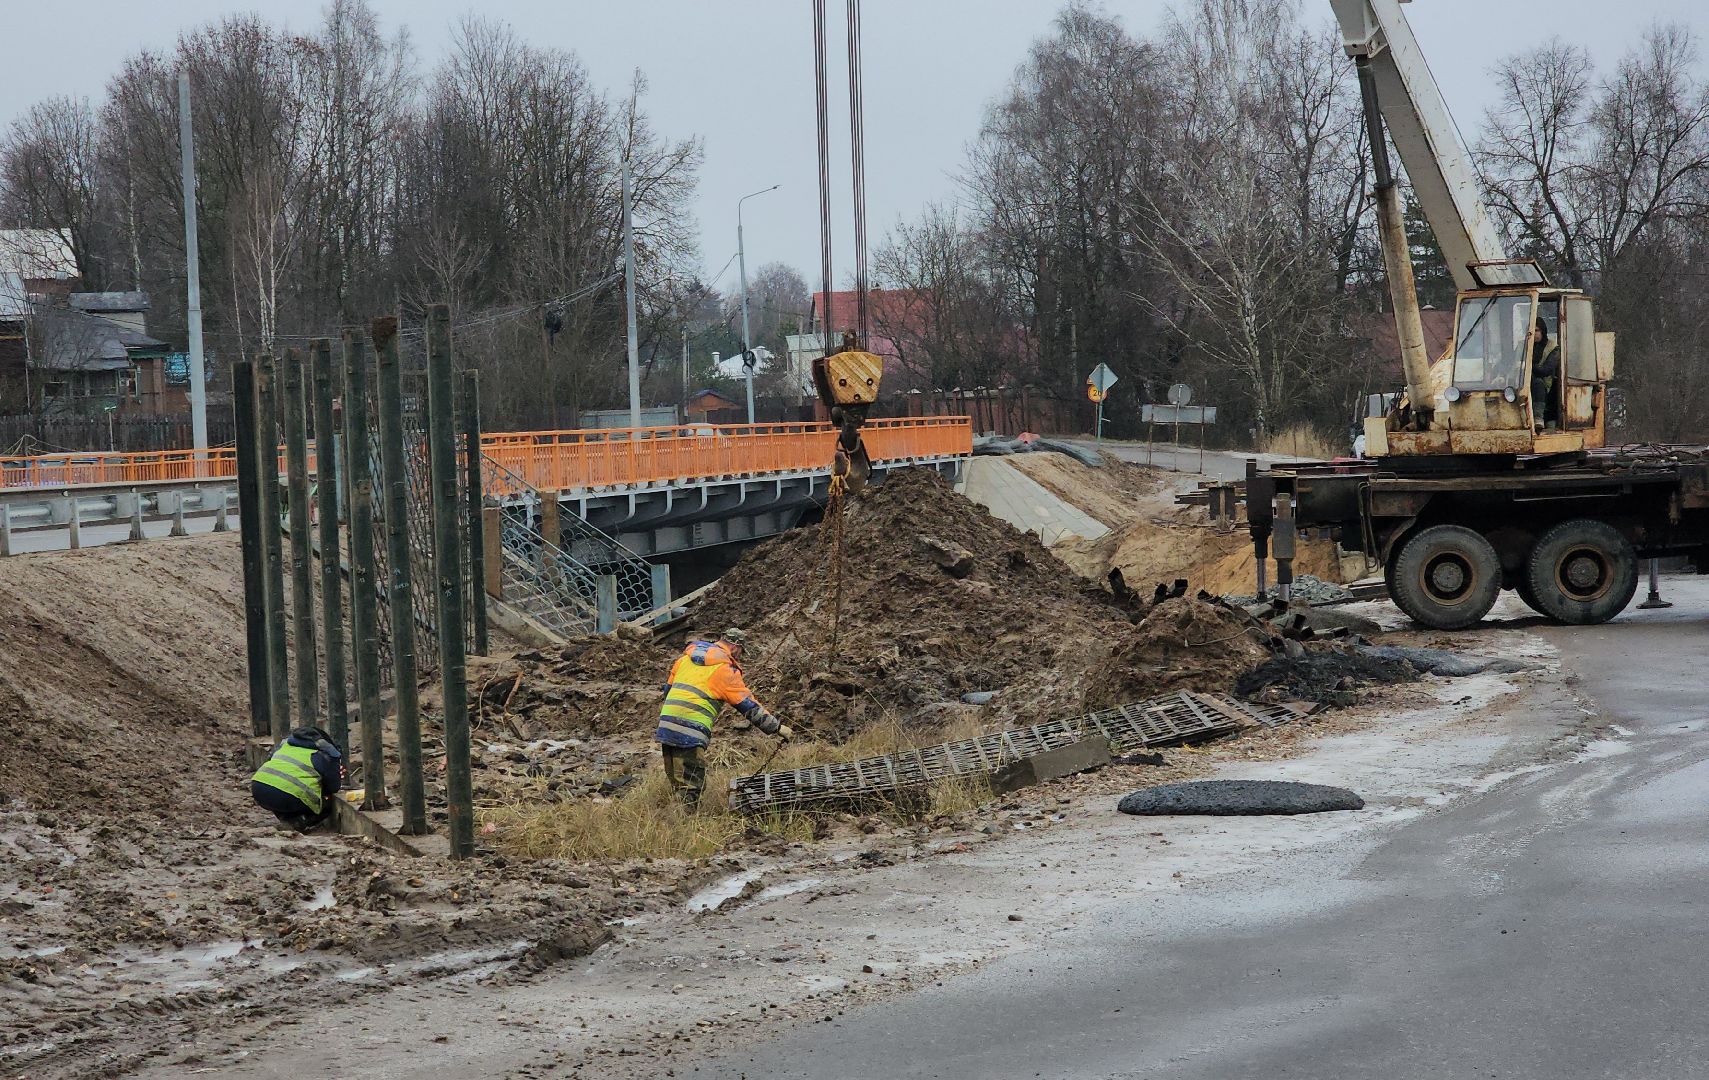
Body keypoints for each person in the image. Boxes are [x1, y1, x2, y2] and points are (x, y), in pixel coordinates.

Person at [655, 628, 785, 808]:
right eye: (741, 652)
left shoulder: (684, 660)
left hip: (666, 725)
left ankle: (673, 818)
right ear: (736, 647)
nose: (739, 657)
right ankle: (682, 820)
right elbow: (748, 706)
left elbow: (667, 690)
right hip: (691, 730)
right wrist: (777, 727)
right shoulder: (725, 670)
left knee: (678, 781)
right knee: (691, 786)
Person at [251, 727, 344, 832]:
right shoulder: (323, 754)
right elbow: (333, 787)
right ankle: (300, 821)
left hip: (258, 788)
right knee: (326, 804)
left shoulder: (284, 746)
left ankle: (286, 818)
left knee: (284, 795)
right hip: (288, 796)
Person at [1531, 317, 1560, 431]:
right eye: (1532, 330)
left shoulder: (1552, 347)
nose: (1535, 333)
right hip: (1524, 383)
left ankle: (1538, 417)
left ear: (1543, 330)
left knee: (1538, 383)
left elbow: (1546, 370)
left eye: (1537, 330)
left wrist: (1529, 366)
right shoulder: (1523, 346)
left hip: (1546, 383)